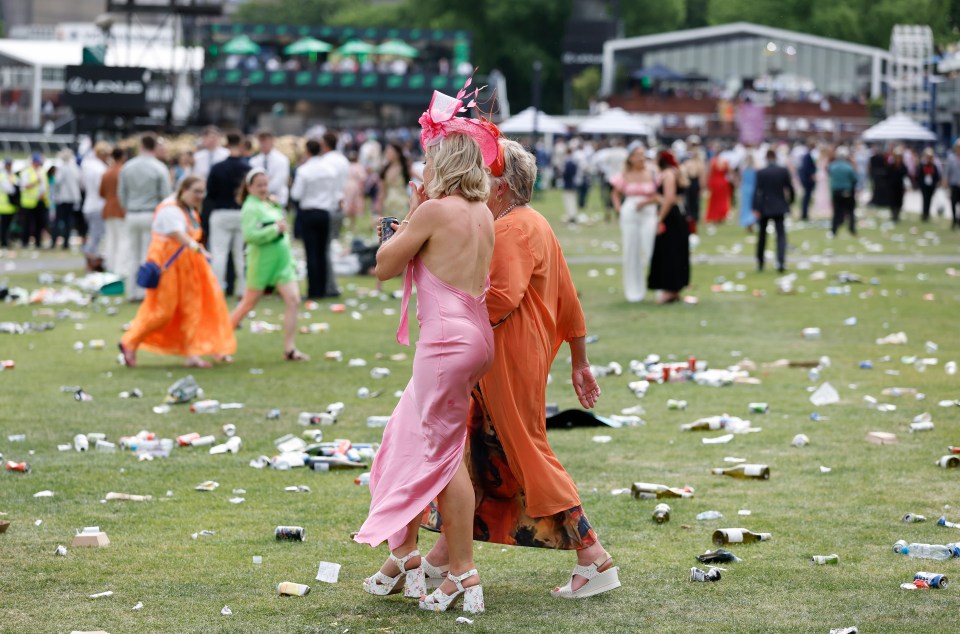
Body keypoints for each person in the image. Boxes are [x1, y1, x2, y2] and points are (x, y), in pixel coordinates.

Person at [419, 136, 616, 601]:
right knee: (481, 455)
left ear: (501, 187)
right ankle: (441, 557)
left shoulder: (511, 229)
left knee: (523, 451)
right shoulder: (533, 222)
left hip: (506, 359)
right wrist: (580, 362)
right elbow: (569, 298)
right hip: (508, 358)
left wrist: (445, 299)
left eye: (482, 176)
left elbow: (500, 300)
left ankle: (594, 556)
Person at [354, 92, 499, 615]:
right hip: (474, 338)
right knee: (407, 440)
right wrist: (410, 231)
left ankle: (461, 572)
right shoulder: (481, 212)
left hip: (443, 344)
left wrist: (406, 223)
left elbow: (384, 266)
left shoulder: (435, 210)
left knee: (442, 460)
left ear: (443, 164)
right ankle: (406, 556)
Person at [118, 176, 236, 369]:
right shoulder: (170, 209)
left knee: (192, 309)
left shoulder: (187, 209)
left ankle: (192, 353)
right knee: (162, 311)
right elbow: (177, 234)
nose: (200, 196)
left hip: (189, 267)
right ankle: (129, 341)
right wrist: (197, 247)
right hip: (168, 268)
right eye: (196, 191)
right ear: (183, 190)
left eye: (202, 191)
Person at [229, 168, 307, 362]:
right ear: (249, 187)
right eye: (259, 185)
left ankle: (289, 348)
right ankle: (220, 344)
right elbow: (250, 236)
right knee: (247, 304)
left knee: (294, 300)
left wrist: (290, 259)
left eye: (265, 184)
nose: (264, 188)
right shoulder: (250, 207)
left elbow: (283, 232)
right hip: (262, 263)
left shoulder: (270, 203)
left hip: (281, 262)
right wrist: (274, 230)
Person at [118, 133, 172, 302]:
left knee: (132, 253)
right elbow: (166, 195)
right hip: (151, 213)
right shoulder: (159, 167)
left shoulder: (127, 167)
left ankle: (131, 291)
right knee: (147, 254)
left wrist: (128, 206)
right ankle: (143, 291)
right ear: (155, 147)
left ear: (140, 146)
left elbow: (121, 193)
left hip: (132, 213)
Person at [290, 134, 345, 299]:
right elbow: (335, 191)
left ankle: (313, 290)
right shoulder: (329, 169)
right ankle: (322, 289)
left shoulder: (303, 170)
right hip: (325, 212)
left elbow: (296, 194)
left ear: (307, 151)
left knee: (311, 253)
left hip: (309, 212)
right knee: (322, 251)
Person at [610, 143, 659, 303]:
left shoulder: (652, 172)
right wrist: (620, 210)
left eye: (643, 154)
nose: (641, 158)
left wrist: (647, 202)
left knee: (652, 249)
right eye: (637, 155)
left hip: (649, 212)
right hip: (630, 213)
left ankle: (659, 288)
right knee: (631, 251)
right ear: (630, 158)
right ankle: (634, 291)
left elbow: (660, 194)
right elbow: (615, 194)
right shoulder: (625, 174)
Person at [205, 131, 250, 298]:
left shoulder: (218, 167)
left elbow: (210, 192)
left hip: (221, 211)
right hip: (241, 212)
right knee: (240, 253)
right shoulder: (247, 167)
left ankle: (217, 288)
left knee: (219, 253)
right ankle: (242, 289)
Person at [648, 150, 690, 304]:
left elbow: (669, 198)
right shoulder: (675, 172)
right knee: (675, 251)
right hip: (676, 216)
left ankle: (670, 289)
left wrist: (660, 219)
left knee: (669, 252)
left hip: (670, 217)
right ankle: (674, 289)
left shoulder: (668, 174)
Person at [753, 148, 795, 272]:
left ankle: (760, 263)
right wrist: (789, 202)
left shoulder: (761, 172)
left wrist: (755, 207)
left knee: (762, 236)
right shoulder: (782, 171)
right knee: (781, 235)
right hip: (779, 206)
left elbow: (757, 191)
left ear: (766, 158)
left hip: (764, 206)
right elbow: (790, 188)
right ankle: (780, 262)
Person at [80, 142, 110, 270]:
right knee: (97, 237)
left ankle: (91, 261)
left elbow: (82, 185)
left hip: (88, 204)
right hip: (98, 205)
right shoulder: (100, 169)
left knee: (93, 235)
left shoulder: (87, 167)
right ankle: (91, 263)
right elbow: (102, 190)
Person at [248, 128, 291, 209]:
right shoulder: (254, 161)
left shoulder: (282, 160)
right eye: (261, 141)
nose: (263, 144)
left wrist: (262, 190)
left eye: (266, 141)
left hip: (277, 200)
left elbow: (279, 181)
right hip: (259, 201)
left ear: (272, 141)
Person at [100, 147, 127, 274]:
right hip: (121, 209)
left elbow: (101, 192)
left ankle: (110, 265)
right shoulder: (124, 171)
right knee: (122, 239)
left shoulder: (107, 172)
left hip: (108, 208)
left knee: (111, 239)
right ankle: (120, 268)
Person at [50, 149, 82, 250]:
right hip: (72, 199)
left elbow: (57, 182)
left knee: (57, 221)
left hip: (62, 199)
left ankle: (54, 242)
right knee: (68, 222)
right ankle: (66, 244)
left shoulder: (63, 168)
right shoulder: (75, 168)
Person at [374, 143, 411, 223]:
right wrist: (379, 206)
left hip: (403, 204)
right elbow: (382, 190)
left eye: (390, 151)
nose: (387, 154)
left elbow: (423, 179)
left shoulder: (405, 168)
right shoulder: (385, 170)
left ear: (397, 153)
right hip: (388, 204)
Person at [18, 153, 48, 248]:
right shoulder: (26, 172)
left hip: (40, 201)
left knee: (39, 223)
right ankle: (25, 242)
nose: (38, 164)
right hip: (28, 203)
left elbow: (45, 185)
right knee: (26, 224)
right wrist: (36, 182)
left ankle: (38, 242)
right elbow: (24, 186)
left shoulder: (42, 171)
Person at [828, 146, 858, 236]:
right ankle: (852, 229)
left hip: (835, 190)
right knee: (850, 211)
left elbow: (829, 174)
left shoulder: (832, 166)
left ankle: (834, 230)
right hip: (846, 191)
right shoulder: (848, 167)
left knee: (836, 211)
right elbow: (855, 179)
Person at [681, 135, 704, 231]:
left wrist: (702, 187)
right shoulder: (685, 156)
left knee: (695, 203)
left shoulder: (700, 156)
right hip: (687, 182)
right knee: (687, 203)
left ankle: (694, 221)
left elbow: (701, 172)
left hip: (695, 182)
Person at [705, 150, 730, 223]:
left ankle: (714, 216)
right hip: (723, 182)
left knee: (714, 200)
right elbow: (728, 172)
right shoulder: (725, 162)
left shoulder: (712, 162)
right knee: (722, 200)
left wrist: (707, 183)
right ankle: (721, 216)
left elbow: (709, 173)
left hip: (714, 182)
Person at [917, 148, 941, 222]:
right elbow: (919, 175)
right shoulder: (922, 165)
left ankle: (927, 214)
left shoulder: (934, 166)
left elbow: (937, 176)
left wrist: (935, 184)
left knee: (929, 200)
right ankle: (924, 214)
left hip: (931, 186)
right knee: (925, 199)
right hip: (924, 186)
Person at [887, 148, 909, 224]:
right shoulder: (891, 166)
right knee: (892, 201)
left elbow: (906, 177)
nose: (898, 159)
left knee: (899, 202)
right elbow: (887, 175)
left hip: (900, 187)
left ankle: (897, 215)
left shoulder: (903, 167)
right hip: (892, 187)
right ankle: (893, 215)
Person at [797, 140, 817, 221]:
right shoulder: (807, 156)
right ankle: (804, 214)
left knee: (807, 198)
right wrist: (811, 175)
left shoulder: (807, 156)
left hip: (806, 180)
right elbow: (806, 169)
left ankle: (805, 213)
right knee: (806, 198)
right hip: (807, 181)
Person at [738, 153, 757, 232]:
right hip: (752, 189)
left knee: (746, 207)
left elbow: (741, 179)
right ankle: (751, 222)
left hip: (745, 189)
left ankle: (747, 222)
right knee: (752, 206)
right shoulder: (755, 168)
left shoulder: (743, 169)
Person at [0, 159, 17, 249]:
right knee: (4, 226)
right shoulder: (2, 176)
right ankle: (4, 243)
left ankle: (6, 241)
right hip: (4, 206)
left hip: (11, 206)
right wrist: (14, 188)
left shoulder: (12, 175)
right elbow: (10, 189)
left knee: (8, 226)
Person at [946, 140, 960, 230]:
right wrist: (945, 181)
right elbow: (947, 171)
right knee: (953, 203)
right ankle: (954, 220)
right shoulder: (951, 158)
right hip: (954, 184)